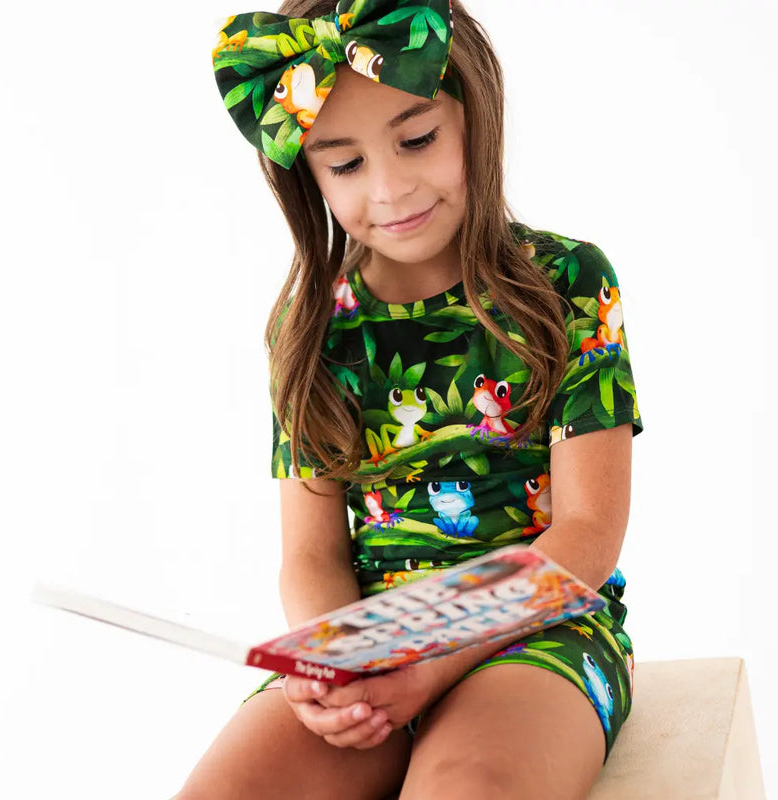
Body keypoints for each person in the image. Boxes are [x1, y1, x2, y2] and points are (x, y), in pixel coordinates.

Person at [175, 1, 643, 797]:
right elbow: (313, 555)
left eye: (417, 139)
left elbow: (589, 532)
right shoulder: (309, 326)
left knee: (467, 787)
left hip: (543, 630)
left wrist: (435, 656)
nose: (390, 189)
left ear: (474, 120)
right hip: (373, 648)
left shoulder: (568, 283)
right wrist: (333, 660)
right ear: (306, 173)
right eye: (344, 164)